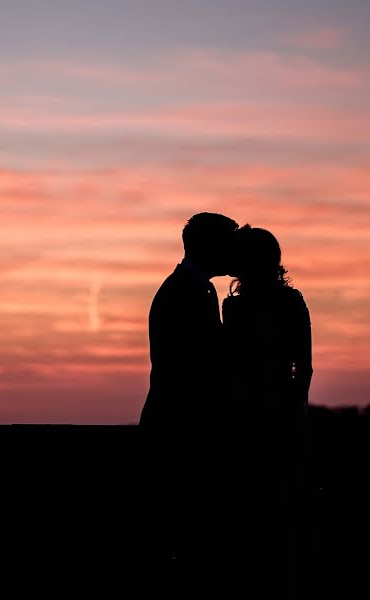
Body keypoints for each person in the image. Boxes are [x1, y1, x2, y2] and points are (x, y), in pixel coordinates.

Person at [138, 211, 238, 570]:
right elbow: (196, 365)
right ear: (211, 247)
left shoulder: (192, 286)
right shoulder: (188, 290)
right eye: (229, 244)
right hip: (180, 427)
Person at [221, 224, 313, 596]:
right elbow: (303, 367)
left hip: (250, 417)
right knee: (278, 514)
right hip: (274, 415)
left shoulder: (235, 307)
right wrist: (294, 408)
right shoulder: (290, 302)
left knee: (254, 514)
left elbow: (232, 367)